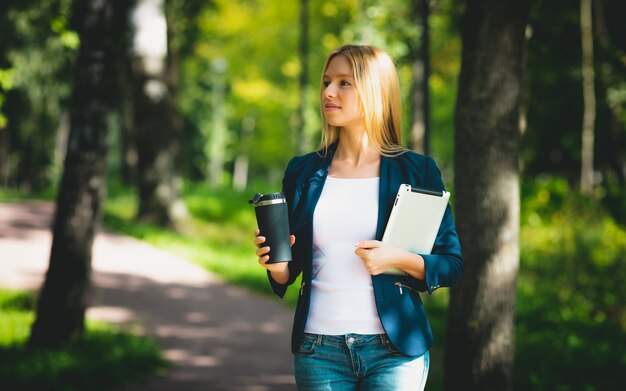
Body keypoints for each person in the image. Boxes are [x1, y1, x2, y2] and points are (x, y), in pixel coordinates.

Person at [254, 44, 463, 390]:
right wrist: (275, 264)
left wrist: (396, 258)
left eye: (343, 83)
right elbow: (289, 272)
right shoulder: (303, 171)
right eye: (326, 82)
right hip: (317, 349)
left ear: (374, 91)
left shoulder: (417, 171)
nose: (328, 92)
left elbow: (450, 264)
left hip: (395, 351)